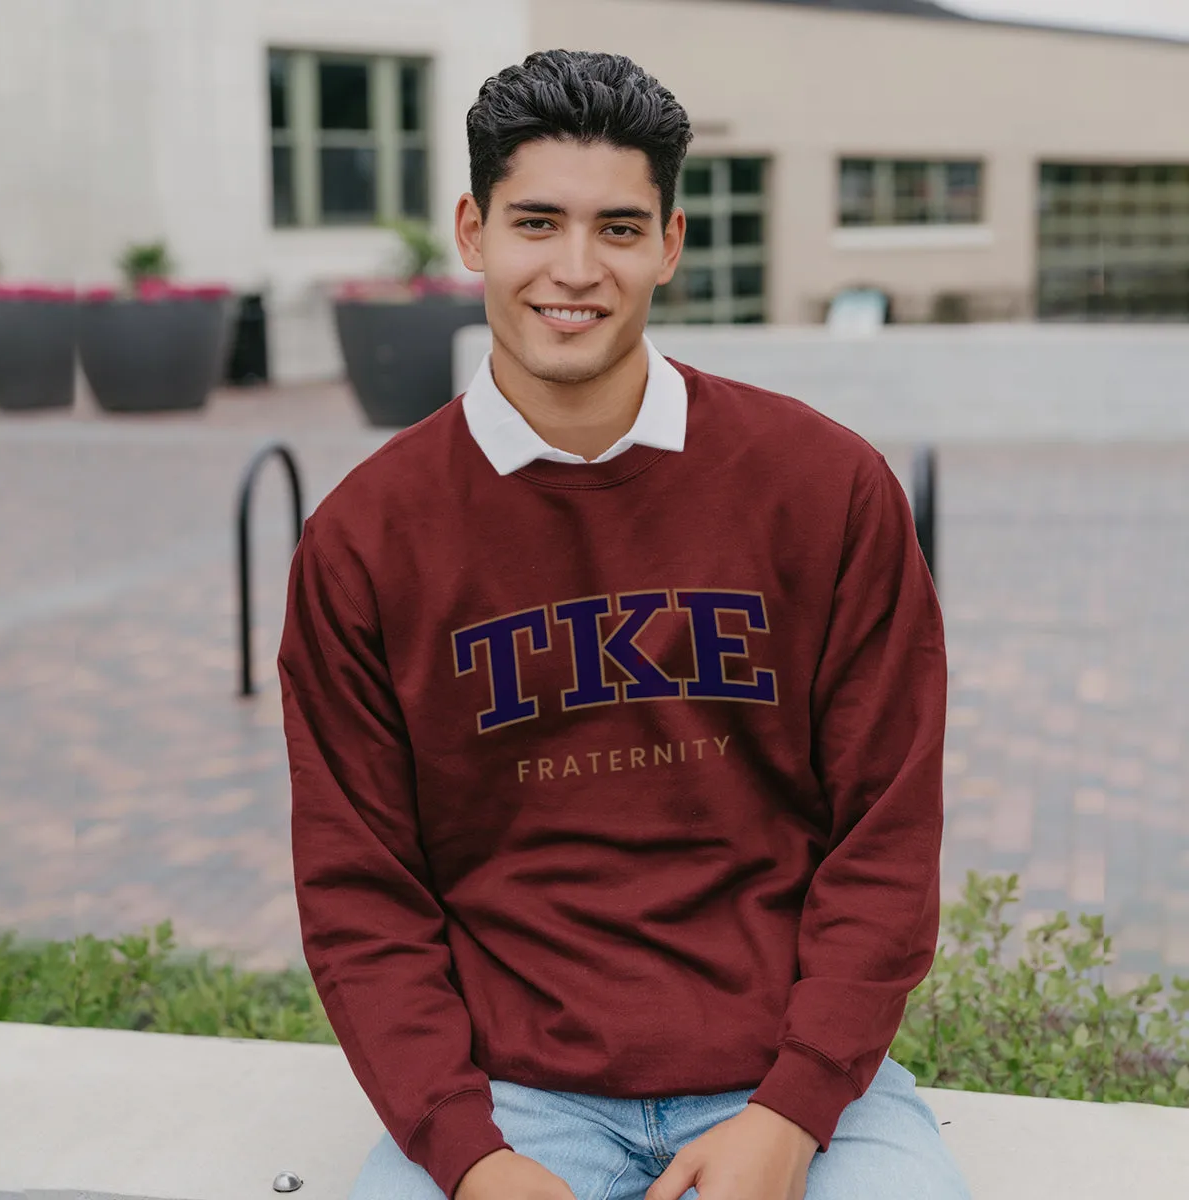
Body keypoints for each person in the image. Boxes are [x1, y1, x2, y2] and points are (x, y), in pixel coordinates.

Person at [278, 48, 969, 1200]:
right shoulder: (365, 539)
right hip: (510, 1097)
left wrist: (793, 1113)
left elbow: (886, 836)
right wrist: (469, 1154)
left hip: (793, 1081)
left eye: (617, 228)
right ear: (472, 231)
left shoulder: (825, 486)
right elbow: (359, 892)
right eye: (537, 222)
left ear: (669, 245)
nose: (574, 269)